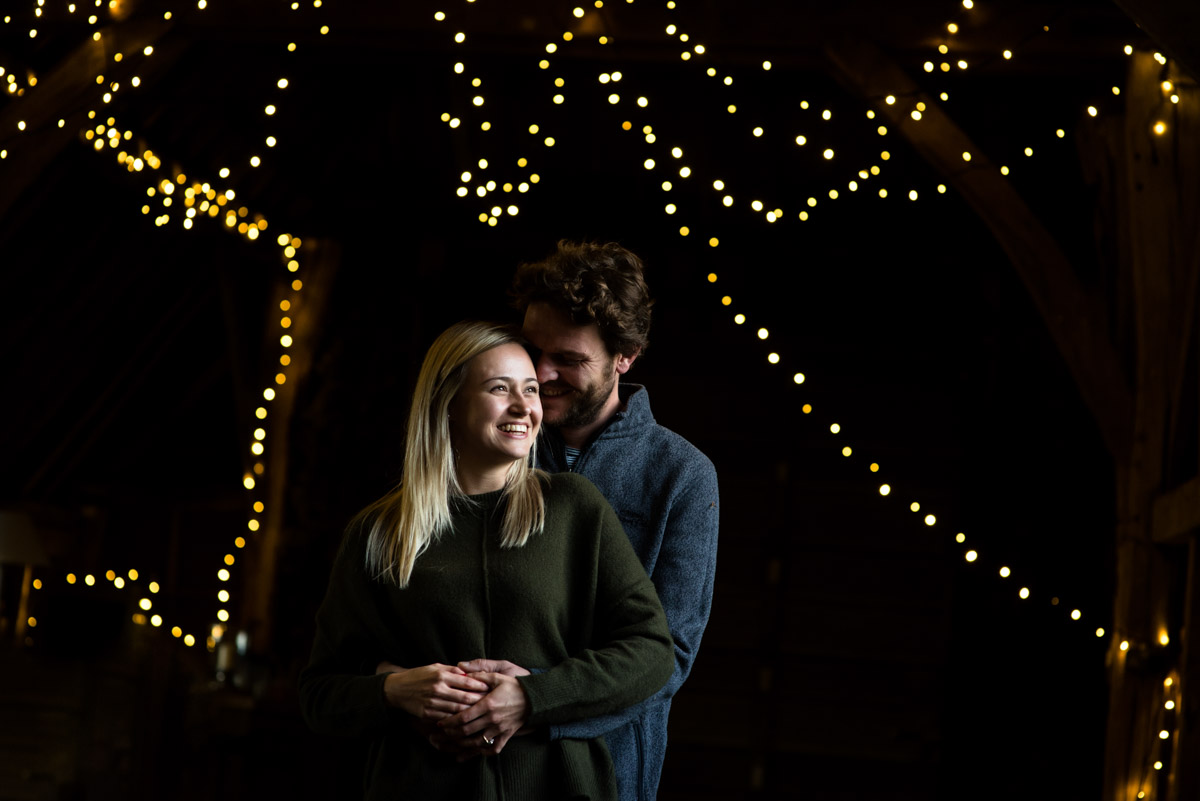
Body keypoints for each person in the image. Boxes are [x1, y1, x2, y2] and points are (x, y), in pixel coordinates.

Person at [299, 321, 675, 800]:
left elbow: (652, 651)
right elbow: (320, 693)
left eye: (532, 390)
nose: (525, 407)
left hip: (555, 786)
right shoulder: (378, 533)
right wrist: (394, 691)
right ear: (448, 403)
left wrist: (531, 698)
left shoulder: (573, 507)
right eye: (500, 389)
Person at [462, 241, 720, 801]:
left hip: (607, 770)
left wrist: (538, 702)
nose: (543, 373)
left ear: (625, 355)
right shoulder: (494, 444)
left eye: (570, 359)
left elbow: (668, 656)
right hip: (470, 766)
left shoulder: (683, 475)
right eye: (533, 350)